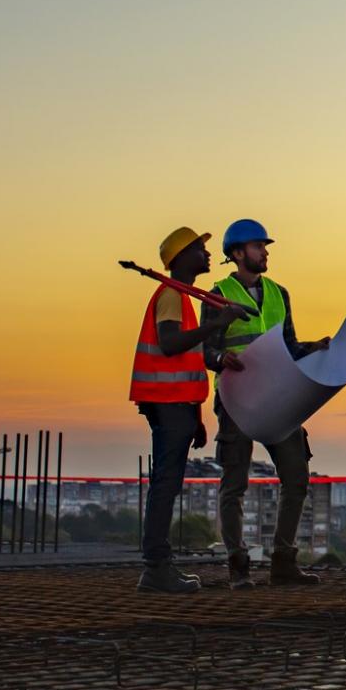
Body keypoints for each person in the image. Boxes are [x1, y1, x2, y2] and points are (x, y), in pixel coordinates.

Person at [206, 218, 330, 589]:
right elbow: (205, 348)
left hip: (278, 398)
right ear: (239, 253)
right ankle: (238, 565)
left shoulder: (279, 293)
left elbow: (287, 344)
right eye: (260, 247)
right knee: (235, 483)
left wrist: (313, 347)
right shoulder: (218, 294)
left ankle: (283, 562)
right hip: (237, 401)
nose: (266, 252)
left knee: (296, 476)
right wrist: (219, 358)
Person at [129, 226, 241, 594]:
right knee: (165, 484)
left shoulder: (181, 298)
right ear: (180, 258)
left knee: (168, 482)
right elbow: (171, 344)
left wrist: (194, 416)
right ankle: (156, 567)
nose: (208, 255)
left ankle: (158, 566)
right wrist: (218, 324)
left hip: (176, 406)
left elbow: (184, 362)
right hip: (167, 405)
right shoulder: (172, 297)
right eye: (199, 249)